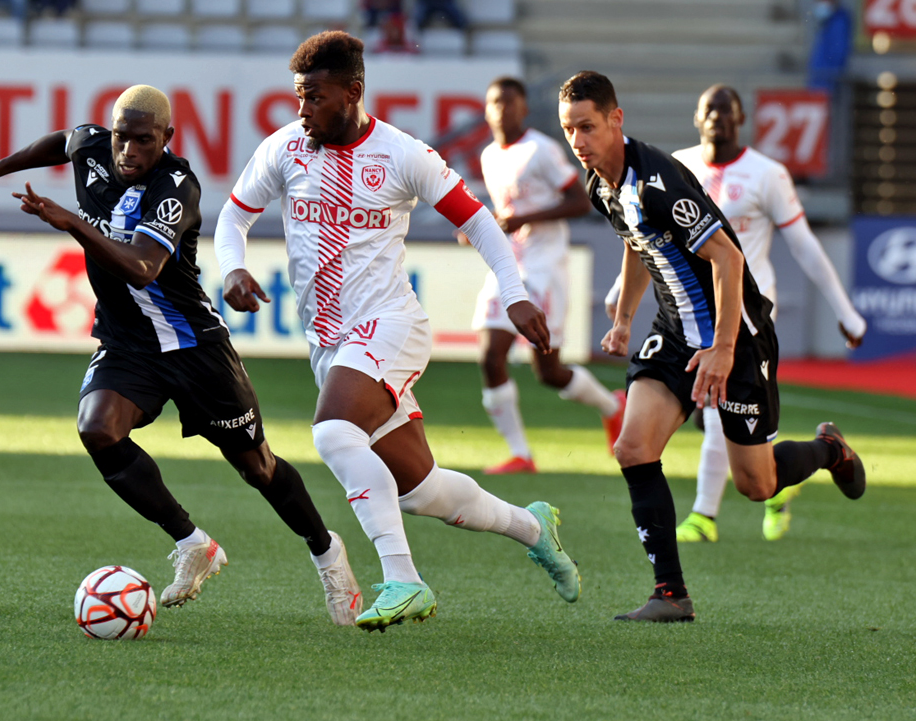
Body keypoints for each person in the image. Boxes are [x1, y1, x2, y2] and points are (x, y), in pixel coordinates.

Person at [215, 31, 580, 633]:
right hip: (331, 345)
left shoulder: (403, 153)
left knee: (333, 433)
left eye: (315, 97)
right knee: (421, 490)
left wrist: (514, 295)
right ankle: (534, 527)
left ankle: (404, 580)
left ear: (353, 92)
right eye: (298, 97)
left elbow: (481, 222)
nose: (302, 110)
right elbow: (234, 216)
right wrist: (233, 266)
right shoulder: (285, 148)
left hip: (391, 325)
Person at [0, 85, 364, 626]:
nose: (128, 152)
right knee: (97, 428)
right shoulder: (96, 146)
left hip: (193, 345)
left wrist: (73, 223)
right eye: (121, 138)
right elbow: (63, 141)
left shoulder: (176, 185)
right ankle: (193, 541)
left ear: (166, 139)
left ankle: (327, 552)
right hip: (129, 342)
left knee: (257, 468)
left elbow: (143, 268)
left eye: (143, 141)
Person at [560, 71, 866, 623]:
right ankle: (671, 594)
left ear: (616, 120)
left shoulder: (659, 179)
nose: (578, 140)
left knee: (757, 484)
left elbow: (728, 258)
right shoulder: (599, 182)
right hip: (676, 332)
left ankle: (829, 450)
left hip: (739, 336)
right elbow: (638, 243)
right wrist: (625, 318)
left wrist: (724, 349)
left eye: (587, 127)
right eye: (569, 130)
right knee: (633, 448)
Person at [471, 76, 624, 475]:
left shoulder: (541, 149)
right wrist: (482, 228)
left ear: (523, 108)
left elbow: (578, 201)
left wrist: (522, 218)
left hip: (544, 268)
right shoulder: (489, 155)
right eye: (494, 102)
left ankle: (612, 406)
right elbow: (505, 211)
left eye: (509, 102)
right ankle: (521, 453)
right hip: (508, 268)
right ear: (486, 110)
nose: (501, 109)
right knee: (490, 356)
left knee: (549, 372)